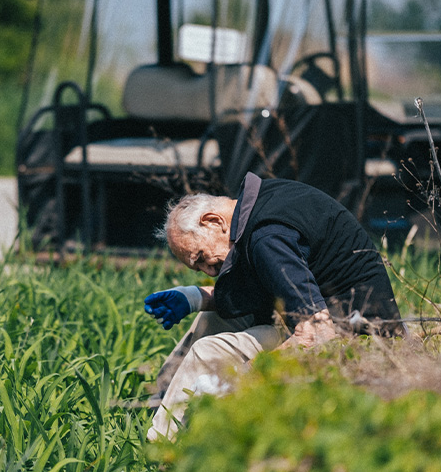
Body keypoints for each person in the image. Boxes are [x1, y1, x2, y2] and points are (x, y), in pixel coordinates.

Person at [144, 172, 404, 440]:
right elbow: (267, 286)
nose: (208, 271)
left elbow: (317, 333)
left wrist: (240, 378)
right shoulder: (260, 204)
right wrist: (194, 298)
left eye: (200, 258)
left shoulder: (267, 238)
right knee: (210, 320)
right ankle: (159, 403)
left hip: (360, 340)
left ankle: (161, 449)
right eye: (196, 267)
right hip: (320, 315)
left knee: (206, 351)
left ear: (213, 221)